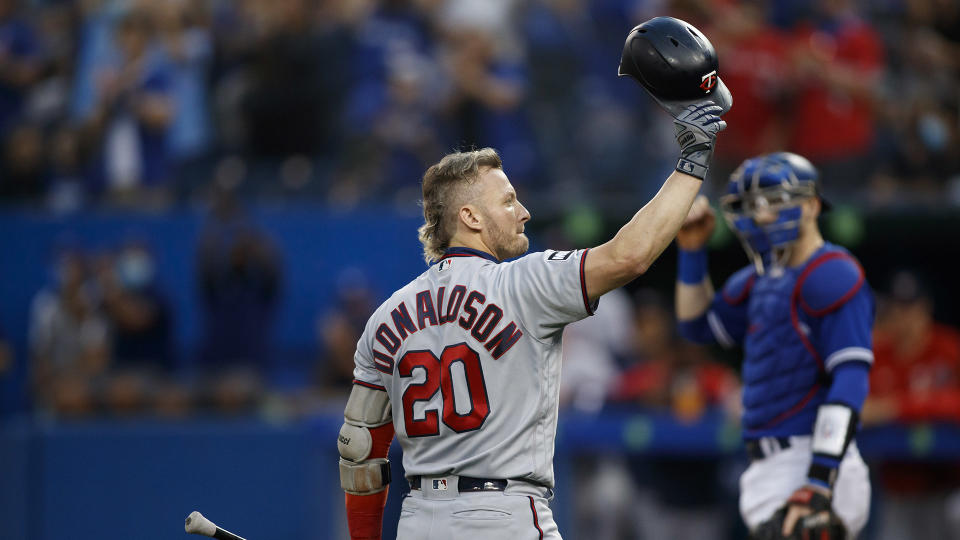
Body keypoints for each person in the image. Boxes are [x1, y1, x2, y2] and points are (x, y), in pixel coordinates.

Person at [335, 17, 731, 536]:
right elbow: (630, 257)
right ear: (470, 218)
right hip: (505, 515)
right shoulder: (524, 283)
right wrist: (693, 158)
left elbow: (360, 454)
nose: (523, 212)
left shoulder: (385, 318)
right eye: (508, 201)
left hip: (420, 521)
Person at [673, 152, 874, 539]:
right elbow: (697, 326)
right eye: (752, 207)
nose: (763, 216)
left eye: (775, 202)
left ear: (812, 205)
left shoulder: (832, 271)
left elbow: (849, 379)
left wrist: (818, 479)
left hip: (813, 457)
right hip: (765, 466)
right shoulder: (757, 281)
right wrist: (693, 252)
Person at [862, 270, 960, 540]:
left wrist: (895, 407)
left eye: (912, 308)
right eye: (899, 310)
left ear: (926, 308)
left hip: (949, 483)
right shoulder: (878, 353)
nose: (906, 318)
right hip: (896, 485)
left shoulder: (948, 347)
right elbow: (860, 408)